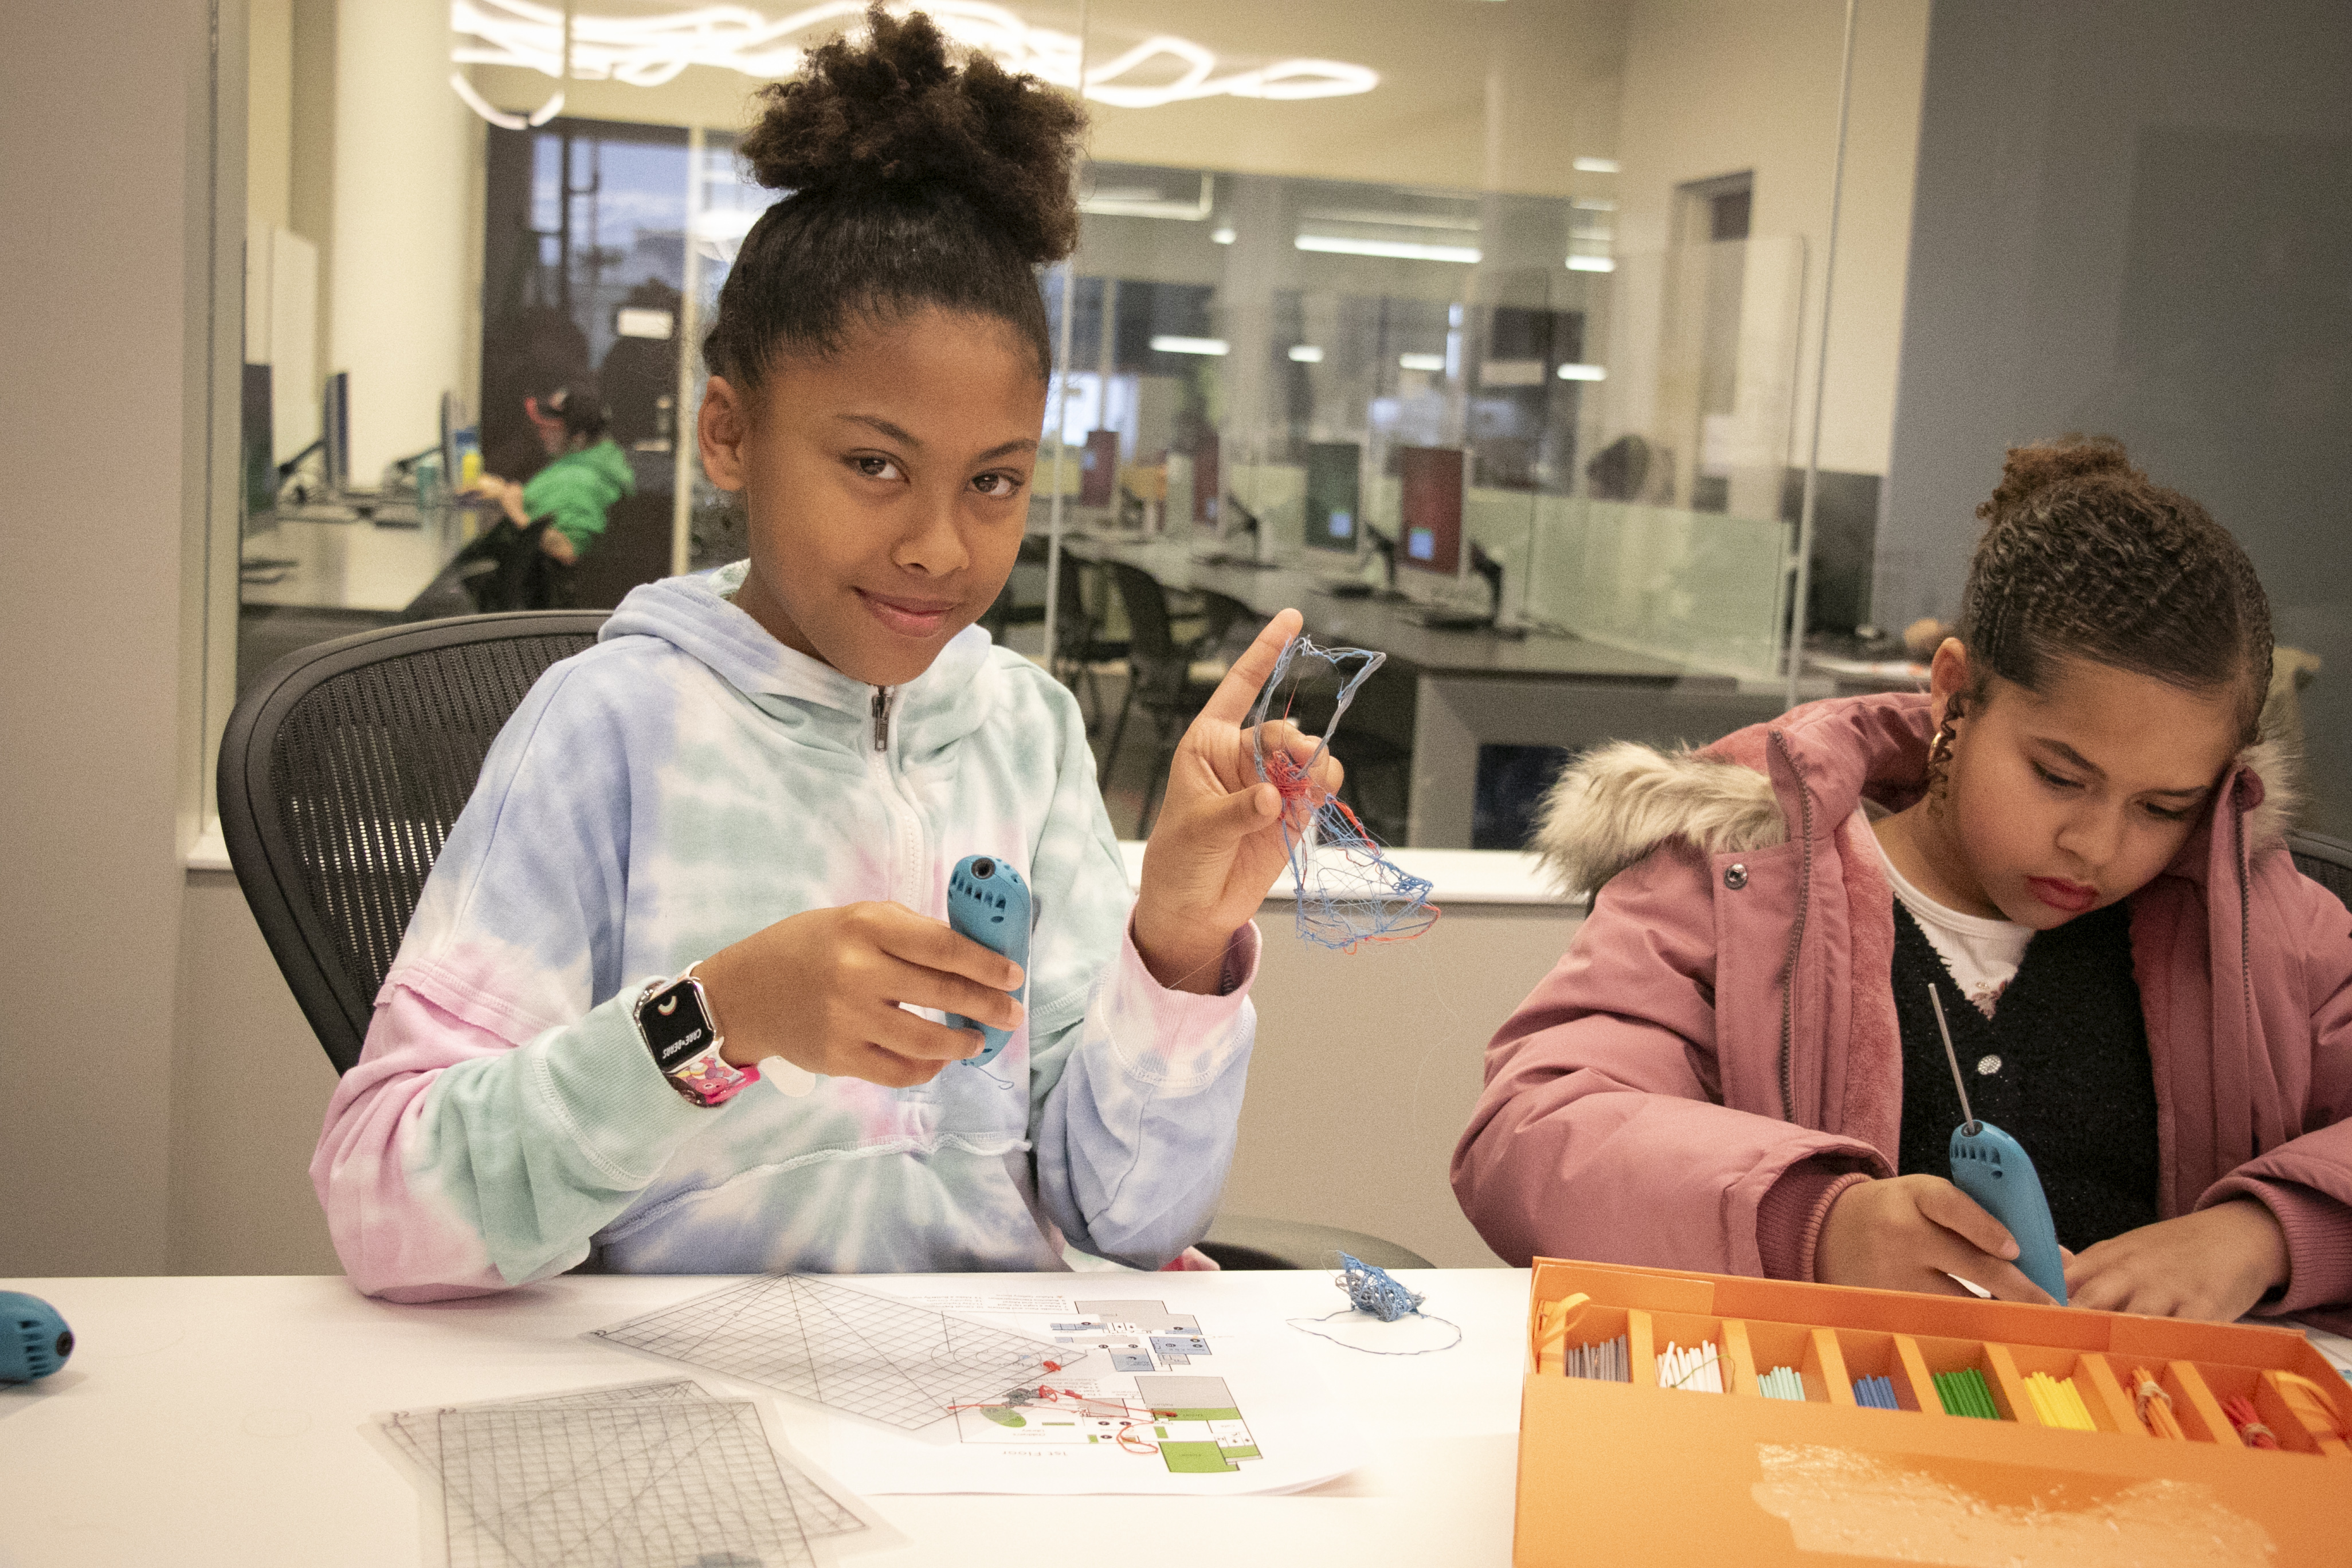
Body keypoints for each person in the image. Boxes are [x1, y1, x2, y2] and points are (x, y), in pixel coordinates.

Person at [312, 9, 1331, 1301]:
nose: (939, 547)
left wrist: (1177, 948)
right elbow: (388, 1209)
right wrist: (717, 1019)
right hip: (696, 1425)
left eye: (995, 482)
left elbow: (1126, 1219)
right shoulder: (612, 729)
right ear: (729, 436)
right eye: (872, 465)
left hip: (990, 1421)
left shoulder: (1023, 730)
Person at [1453, 436, 2352, 1327]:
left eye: (2165, 807)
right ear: (1954, 694)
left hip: (2155, 1442)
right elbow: (1531, 1135)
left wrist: (2266, 1233)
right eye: (2060, 777)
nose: (2097, 845)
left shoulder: (2267, 930)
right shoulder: (1738, 879)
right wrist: (1816, 1225)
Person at [462, 373, 633, 607]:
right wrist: (504, 492)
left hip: (529, 593)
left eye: (552, 428)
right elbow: (547, 506)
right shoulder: (586, 463)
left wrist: (516, 513)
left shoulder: (584, 481)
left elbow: (567, 549)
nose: (542, 433)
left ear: (579, 438)